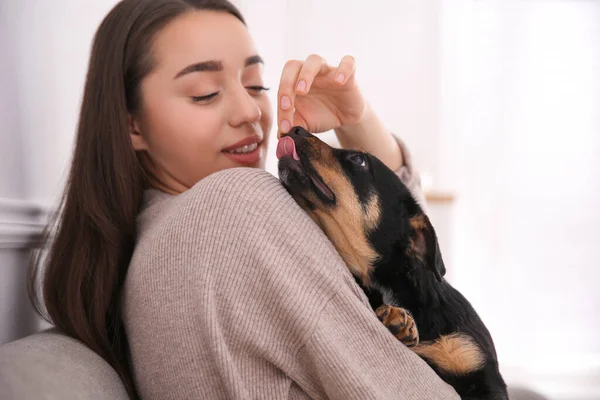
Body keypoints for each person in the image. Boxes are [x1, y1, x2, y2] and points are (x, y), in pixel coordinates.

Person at [28, 0, 455, 398]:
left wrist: (354, 117)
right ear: (132, 125)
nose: (250, 111)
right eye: (205, 93)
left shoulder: (148, 249)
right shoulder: (232, 209)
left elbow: (414, 281)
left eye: (255, 84)